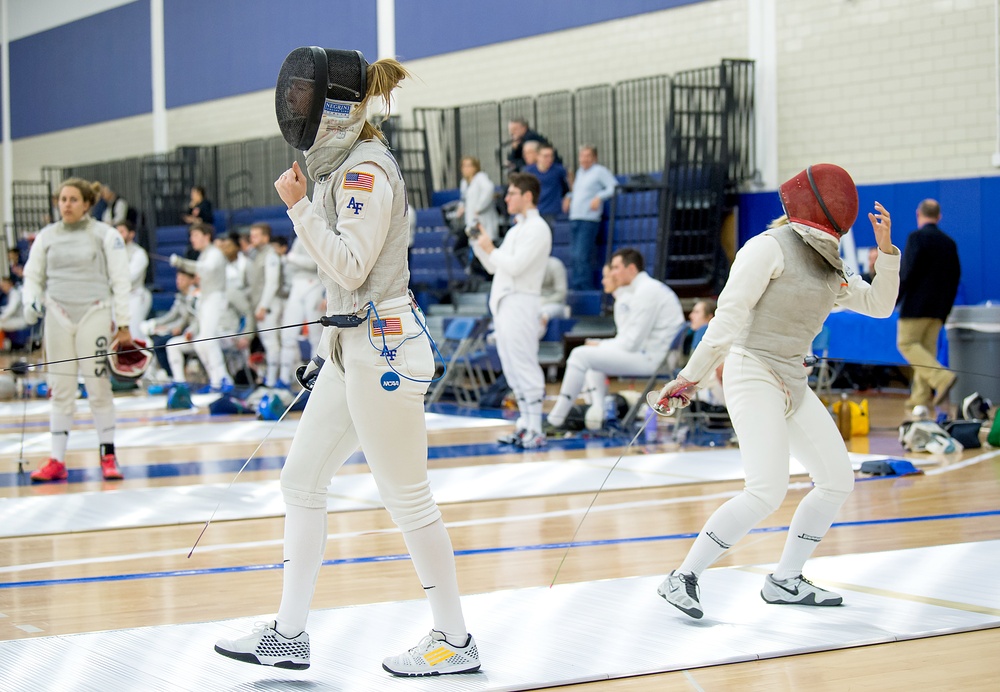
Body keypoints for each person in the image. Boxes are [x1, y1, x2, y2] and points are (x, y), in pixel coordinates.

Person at [213, 47, 479, 676]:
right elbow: (347, 287)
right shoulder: (335, 166)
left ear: (335, 107)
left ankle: (455, 640)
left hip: (384, 352)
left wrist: (298, 209)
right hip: (353, 350)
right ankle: (289, 634)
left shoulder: (366, 171)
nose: (295, 108)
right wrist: (329, 344)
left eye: (305, 98)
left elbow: (354, 266)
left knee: (408, 498)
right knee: (300, 480)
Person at [653, 164, 899, 620]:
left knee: (836, 480)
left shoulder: (831, 262)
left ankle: (785, 579)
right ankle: (682, 577)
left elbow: (880, 306)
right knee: (766, 489)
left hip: (793, 378)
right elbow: (726, 320)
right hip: (752, 371)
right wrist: (691, 377)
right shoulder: (766, 248)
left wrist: (886, 253)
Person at [22, 178, 133, 482]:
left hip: (94, 312)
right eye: (62, 199)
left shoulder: (105, 235)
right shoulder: (46, 237)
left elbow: (121, 280)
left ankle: (108, 455)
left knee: (98, 386)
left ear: (86, 203)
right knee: (61, 389)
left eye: (73, 199)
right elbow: (32, 276)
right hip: (57, 314)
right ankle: (57, 459)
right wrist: (30, 301)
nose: (66, 205)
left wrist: (123, 324)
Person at [546, 247, 684, 431]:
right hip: (651, 354)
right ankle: (599, 413)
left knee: (580, 355)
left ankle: (556, 420)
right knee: (592, 356)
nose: (612, 272)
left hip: (654, 359)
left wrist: (602, 344)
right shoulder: (641, 290)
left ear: (632, 269)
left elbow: (631, 343)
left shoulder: (647, 291)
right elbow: (628, 339)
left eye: (616, 267)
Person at [471, 172, 552, 449]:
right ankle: (525, 425)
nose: (506, 198)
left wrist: (491, 248)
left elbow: (515, 266)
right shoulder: (517, 229)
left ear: (527, 196)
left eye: (512, 193)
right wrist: (481, 245)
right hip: (506, 302)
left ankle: (537, 428)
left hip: (522, 301)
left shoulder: (538, 228)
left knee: (524, 363)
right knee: (511, 366)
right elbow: (496, 266)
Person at [897, 199, 961, 414]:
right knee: (926, 353)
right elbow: (955, 278)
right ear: (939, 216)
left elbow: (907, 272)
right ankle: (920, 399)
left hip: (916, 307)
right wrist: (945, 310)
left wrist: (894, 300)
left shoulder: (916, 238)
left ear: (918, 214)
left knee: (906, 344)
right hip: (938, 310)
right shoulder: (949, 243)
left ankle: (941, 377)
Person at [169, 223, 233, 393]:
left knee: (209, 339)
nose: (192, 239)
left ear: (206, 236)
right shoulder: (204, 255)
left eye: (196, 235)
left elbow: (207, 270)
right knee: (200, 342)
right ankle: (215, 380)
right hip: (206, 298)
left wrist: (181, 263)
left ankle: (223, 379)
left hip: (216, 298)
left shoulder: (214, 254)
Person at [562, 145, 618, 290]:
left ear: (594, 158)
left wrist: (599, 197)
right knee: (574, 255)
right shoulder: (580, 172)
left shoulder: (599, 171)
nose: (585, 159)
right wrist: (569, 196)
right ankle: (577, 286)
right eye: (582, 156)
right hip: (575, 217)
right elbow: (578, 191)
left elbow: (614, 186)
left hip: (589, 219)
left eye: (588, 156)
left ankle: (585, 288)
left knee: (582, 255)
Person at [245, 222, 286, 388]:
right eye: (251, 235)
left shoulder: (271, 255)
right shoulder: (257, 254)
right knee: (272, 342)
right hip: (263, 305)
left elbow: (272, 283)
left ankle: (272, 381)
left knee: (272, 343)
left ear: (265, 237)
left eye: (256, 235)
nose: (252, 238)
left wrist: (263, 306)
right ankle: (274, 379)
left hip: (270, 306)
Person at [279, 236, 325, 384]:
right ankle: (284, 379)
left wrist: (291, 257)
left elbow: (315, 263)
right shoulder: (299, 234)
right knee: (288, 335)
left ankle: (316, 380)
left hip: (315, 285)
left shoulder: (320, 231)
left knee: (316, 337)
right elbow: (290, 266)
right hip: (297, 286)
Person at [142, 269, 197, 380]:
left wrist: (170, 328)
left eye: (182, 279)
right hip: (182, 330)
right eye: (177, 278)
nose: (178, 281)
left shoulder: (194, 296)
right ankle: (158, 374)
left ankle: (172, 375)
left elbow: (188, 318)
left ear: (191, 280)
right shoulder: (180, 296)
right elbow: (171, 316)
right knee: (154, 339)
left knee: (160, 344)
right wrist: (155, 323)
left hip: (191, 331)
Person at [117, 220, 151, 338]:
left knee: (136, 334)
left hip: (135, 297)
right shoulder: (113, 254)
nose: (118, 235)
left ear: (131, 234)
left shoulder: (139, 253)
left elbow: (129, 277)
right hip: (119, 298)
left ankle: (149, 356)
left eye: (122, 231)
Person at [455, 156, 500, 243]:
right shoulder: (464, 183)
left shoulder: (480, 177)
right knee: (474, 245)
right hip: (472, 222)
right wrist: (461, 207)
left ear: (475, 167)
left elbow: (489, 189)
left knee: (485, 245)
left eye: (468, 166)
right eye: (463, 166)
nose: (465, 169)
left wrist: (479, 207)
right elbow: (463, 198)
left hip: (483, 220)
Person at [524, 143, 569, 227]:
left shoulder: (558, 170)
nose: (549, 159)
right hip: (534, 211)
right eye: (546, 156)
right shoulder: (529, 171)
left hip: (552, 212)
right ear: (537, 156)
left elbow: (570, 182)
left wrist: (568, 196)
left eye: (551, 156)